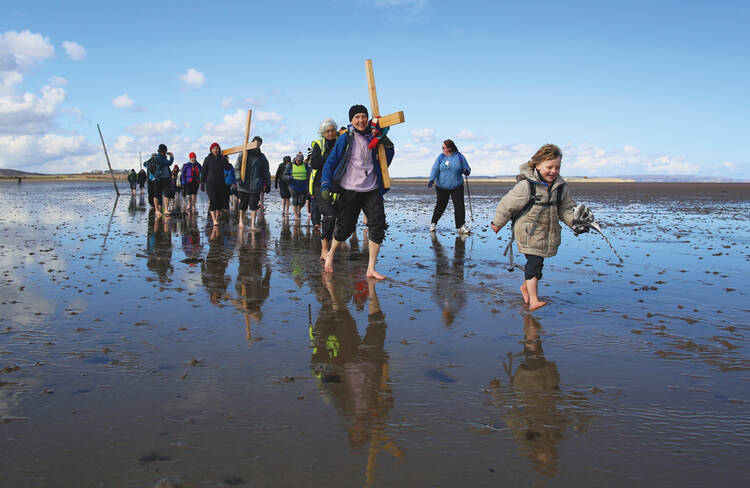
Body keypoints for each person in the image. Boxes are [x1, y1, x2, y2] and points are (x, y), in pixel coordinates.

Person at [491, 144, 578, 311]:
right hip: (528, 231)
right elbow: (507, 204)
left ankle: (525, 288)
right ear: (537, 165)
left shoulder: (560, 188)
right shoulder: (526, 186)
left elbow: (566, 209)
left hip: (547, 232)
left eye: (557, 167)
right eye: (549, 167)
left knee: (538, 265)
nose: (553, 171)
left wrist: (575, 222)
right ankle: (533, 300)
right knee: (533, 263)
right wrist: (498, 223)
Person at [320, 104, 394, 280]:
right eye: (357, 117)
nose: (360, 120)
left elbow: (385, 159)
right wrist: (325, 185)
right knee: (345, 227)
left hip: (372, 188)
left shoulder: (374, 136)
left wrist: (386, 142)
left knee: (377, 225)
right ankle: (330, 253)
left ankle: (370, 268)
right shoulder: (345, 139)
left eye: (363, 116)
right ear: (351, 120)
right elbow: (330, 163)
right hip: (350, 189)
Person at [309, 118, 339, 260]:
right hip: (320, 185)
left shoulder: (341, 142)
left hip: (338, 185)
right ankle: (324, 249)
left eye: (333, 130)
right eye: (328, 131)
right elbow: (314, 164)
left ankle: (333, 248)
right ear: (323, 133)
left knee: (337, 217)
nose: (331, 133)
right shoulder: (318, 144)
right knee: (329, 215)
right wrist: (329, 156)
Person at [428, 139, 471, 234]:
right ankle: (433, 223)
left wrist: (466, 171)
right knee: (440, 205)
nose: (442, 149)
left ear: (450, 148)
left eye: (444, 147)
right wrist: (431, 179)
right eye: (442, 147)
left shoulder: (460, 157)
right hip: (442, 186)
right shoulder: (441, 157)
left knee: (459, 206)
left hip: (457, 185)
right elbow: (435, 168)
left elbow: (467, 168)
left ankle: (461, 226)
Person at [236, 136, 271, 230]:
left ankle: (252, 224)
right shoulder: (243, 154)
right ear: (251, 143)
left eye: (259, 144)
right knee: (243, 205)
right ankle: (241, 222)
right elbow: (237, 167)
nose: (256, 146)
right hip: (243, 184)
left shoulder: (261, 157)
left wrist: (267, 183)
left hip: (255, 184)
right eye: (255, 143)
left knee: (253, 205)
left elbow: (266, 171)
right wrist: (239, 178)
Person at [201, 142, 228, 227]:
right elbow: (204, 171)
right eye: (213, 148)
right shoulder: (207, 159)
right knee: (213, 200)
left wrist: (225, 160)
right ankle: (214, 220)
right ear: (211, 150)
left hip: (221, 183)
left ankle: (217, 218)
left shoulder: (221, 158)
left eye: (216, 148)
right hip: (210, 183)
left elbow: (227, 167)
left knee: (219, 202)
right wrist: (202, 183)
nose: (215, 150)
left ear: (219, 149)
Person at [284, 152, 310, 223]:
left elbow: (309, 175)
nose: (298, 162)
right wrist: (288, 177)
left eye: (300, 160)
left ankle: (298, 210)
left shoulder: (305, 165)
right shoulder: (290, 165)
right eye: (297, 160)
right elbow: (284, 175)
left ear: (302, 160)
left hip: (303, 187)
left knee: (302, 202)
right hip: (293, 186)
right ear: (295, 159)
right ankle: (296, 216)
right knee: (295, 201)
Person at [152, 144, 174, 216]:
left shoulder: (164, 157)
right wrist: (171, 158)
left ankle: (166, 209)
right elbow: (168, 163)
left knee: (167, 194)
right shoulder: (158, 157)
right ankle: (157, 210)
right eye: (165, 150)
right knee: (157, 194)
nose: (165, 152)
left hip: (166, 178)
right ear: (162, 150)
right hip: (158, 178)